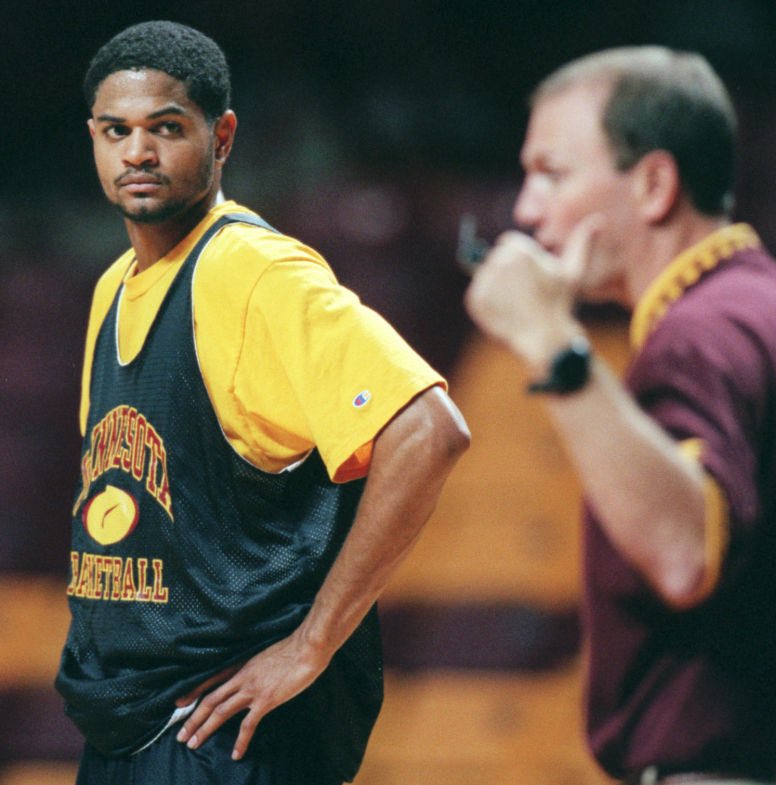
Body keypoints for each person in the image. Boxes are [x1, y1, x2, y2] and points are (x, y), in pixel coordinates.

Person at [464, 46, 776, 785]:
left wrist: (553, 345)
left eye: (551, 174)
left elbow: (683, 553)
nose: (526, 209)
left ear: (655, 183)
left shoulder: (699, 336)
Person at [55, 20, 470, 785]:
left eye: (166, 129)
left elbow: (430, 429)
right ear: (92, 138)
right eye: (116, 131)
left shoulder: (253, 271)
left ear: (223, 138)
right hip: (126, 724)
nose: (137, 152)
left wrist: (312, 643)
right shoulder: (113, 285)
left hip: (223, 733)